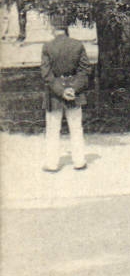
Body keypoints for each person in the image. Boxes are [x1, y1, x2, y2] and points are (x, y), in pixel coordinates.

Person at [40, 14, 92, 172]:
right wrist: (73, 89)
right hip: (74, 92)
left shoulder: (47, 47)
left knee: (52, 129)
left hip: (55, 94)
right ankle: (79, 161)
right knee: (76, 127)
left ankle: (52, 163)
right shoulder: (77, 45)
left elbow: (47, 75)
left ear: (53, 28)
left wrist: (61, 91)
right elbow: (85, 70)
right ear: (67, 28)